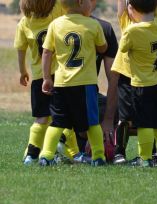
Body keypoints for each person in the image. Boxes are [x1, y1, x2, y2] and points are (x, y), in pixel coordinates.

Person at [38, 0, 108, 166]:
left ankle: (46, 156)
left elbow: (47, 52)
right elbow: (103, 48)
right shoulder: (92, 24)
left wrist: (46, 78)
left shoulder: (55, 24)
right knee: (92, 121)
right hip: (86, 84)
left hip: (62, 84)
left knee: (57, 122)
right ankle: (98, 156)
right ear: (80, 2)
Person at [14, 0, 78, 165]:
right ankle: (73, 153)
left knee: (41, 118)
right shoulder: (56, 12)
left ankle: (31, 154)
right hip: (59, 75)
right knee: (65, 117)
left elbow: (21, 50)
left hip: (38, 77)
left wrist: (22, 71)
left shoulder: (24, 22)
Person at [119, 0, 157, 167]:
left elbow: (122, 49)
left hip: (141, 85)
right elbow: (154, 10)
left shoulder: (132, 31)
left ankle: (145, 159)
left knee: (144, 125)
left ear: (133, 9)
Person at [101, 0, 135, 165]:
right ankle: (119, 152)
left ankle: (152, 153)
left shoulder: (156, 25)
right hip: (127, 78)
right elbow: (121, 10)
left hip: (148, 79)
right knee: (124, 118)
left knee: (150, 120)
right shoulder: (127, 23)